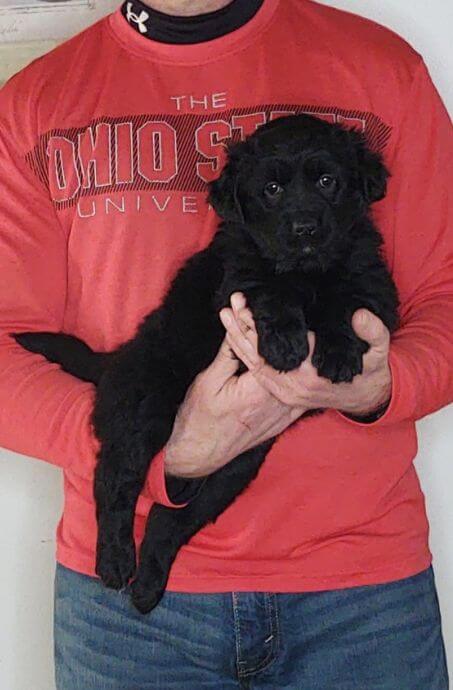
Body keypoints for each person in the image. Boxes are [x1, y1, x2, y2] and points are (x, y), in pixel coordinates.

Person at [0, 0, 451, 687]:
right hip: (124, 614)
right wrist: (167, 449)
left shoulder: (380, 68)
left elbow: (443, 295)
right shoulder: (35, 101)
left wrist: (383, 385)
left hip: (361, 593)